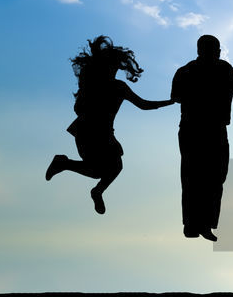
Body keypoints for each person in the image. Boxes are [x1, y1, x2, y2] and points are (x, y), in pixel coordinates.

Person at [45, 35, 173, 215]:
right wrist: (169, 102)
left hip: (100, 133)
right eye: (112, 67)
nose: (115, 70)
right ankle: (69, 168)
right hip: (88, 132)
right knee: (102, 169)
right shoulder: (102, 86)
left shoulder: (116, 87)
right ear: (104, 67)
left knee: (112, 167)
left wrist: (169, 102)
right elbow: (143, 105)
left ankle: (83, 179)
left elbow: (143, 105)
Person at [171, 34, 233, 241]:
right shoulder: (186, 71)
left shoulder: (224, 68)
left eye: (218, 49)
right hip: (193, 129)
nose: (218, 52)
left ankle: (205, 224)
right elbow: (176, 97)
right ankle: (192, 225)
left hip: (215, 128)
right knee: (193, 177)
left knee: (216, 176)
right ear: (203, 49)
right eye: (215, 48)